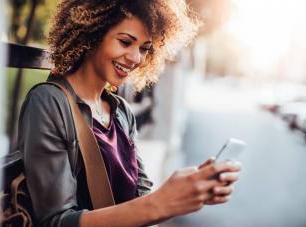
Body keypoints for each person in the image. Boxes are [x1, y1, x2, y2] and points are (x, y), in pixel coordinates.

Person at [18, 0, 242, 226]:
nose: (136, 58)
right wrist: (161, 203)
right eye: (125, 42)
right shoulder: (48, 102)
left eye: (145, 48)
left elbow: (142, 196)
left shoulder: (122, 112)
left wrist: (189, 193)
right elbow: (56, 221)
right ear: (92, 34)